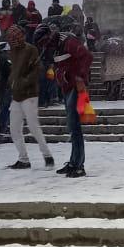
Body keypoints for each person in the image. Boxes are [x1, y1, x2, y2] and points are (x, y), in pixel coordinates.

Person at [42, 26, 92, 178]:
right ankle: (73, 162)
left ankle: (79, 166)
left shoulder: (68, 42)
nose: (44, 46)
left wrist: (80, 77)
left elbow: (87, 56)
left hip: (75, 88)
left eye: (44, 42)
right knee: (72, 127)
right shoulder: (55, 46)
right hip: (66, 88)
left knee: (75, 127)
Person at [5, 25, 54, 169]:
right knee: (14, 128)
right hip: (16, 94)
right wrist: (12, 81)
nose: (12, 41)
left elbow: (37, 69)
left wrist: (23, 82)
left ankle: (47, 155)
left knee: (33, 126)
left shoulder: (30, 49)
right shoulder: (13, 51)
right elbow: (14, 69)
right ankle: (23, 159)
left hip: (29, 93)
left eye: (13, 39)